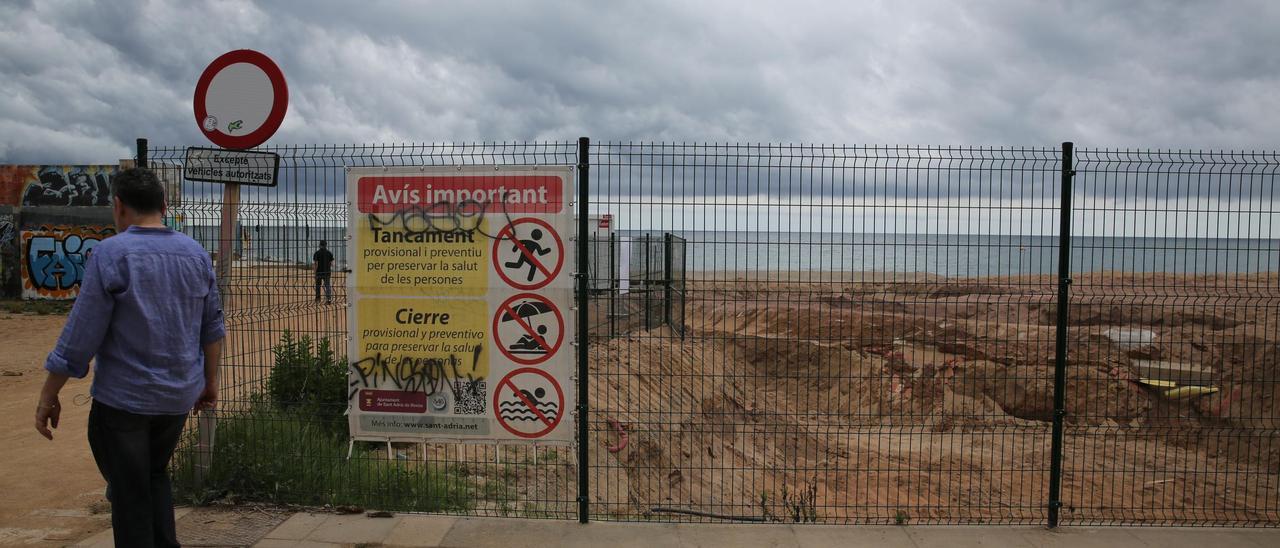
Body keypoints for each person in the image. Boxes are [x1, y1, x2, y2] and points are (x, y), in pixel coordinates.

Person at [34, 167, 225, 548]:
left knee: (128, 490)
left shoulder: (111, 253)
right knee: (153, 477)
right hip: (176, 398)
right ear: (165, 205)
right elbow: (212, 328)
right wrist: (210, 381)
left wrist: (49, 393)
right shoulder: (196, 254)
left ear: (118, 206)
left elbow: (80, 336)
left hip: (125, 401)